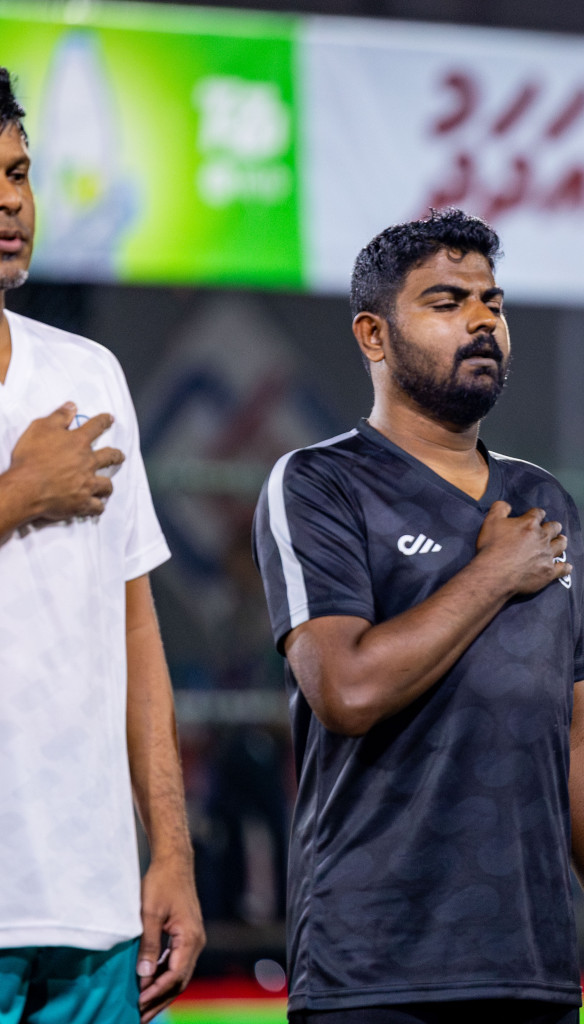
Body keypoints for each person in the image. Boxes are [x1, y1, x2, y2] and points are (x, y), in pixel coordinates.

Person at [251, 210, 584, 1024]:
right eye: (447, 302)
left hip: (534, 970)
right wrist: (491, 574)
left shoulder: (541, 498)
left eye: (492, 301)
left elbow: (577, 729)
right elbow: (345, 687)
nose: (482, 321)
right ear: (374, 335)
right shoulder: (318, 485)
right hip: (373, 972)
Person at [0, 67, 205, 1024]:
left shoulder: (89, 373)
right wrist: (15, 495)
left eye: (20, 172)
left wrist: (170, 850)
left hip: (94, 906)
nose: (11, 200)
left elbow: (136, 636)